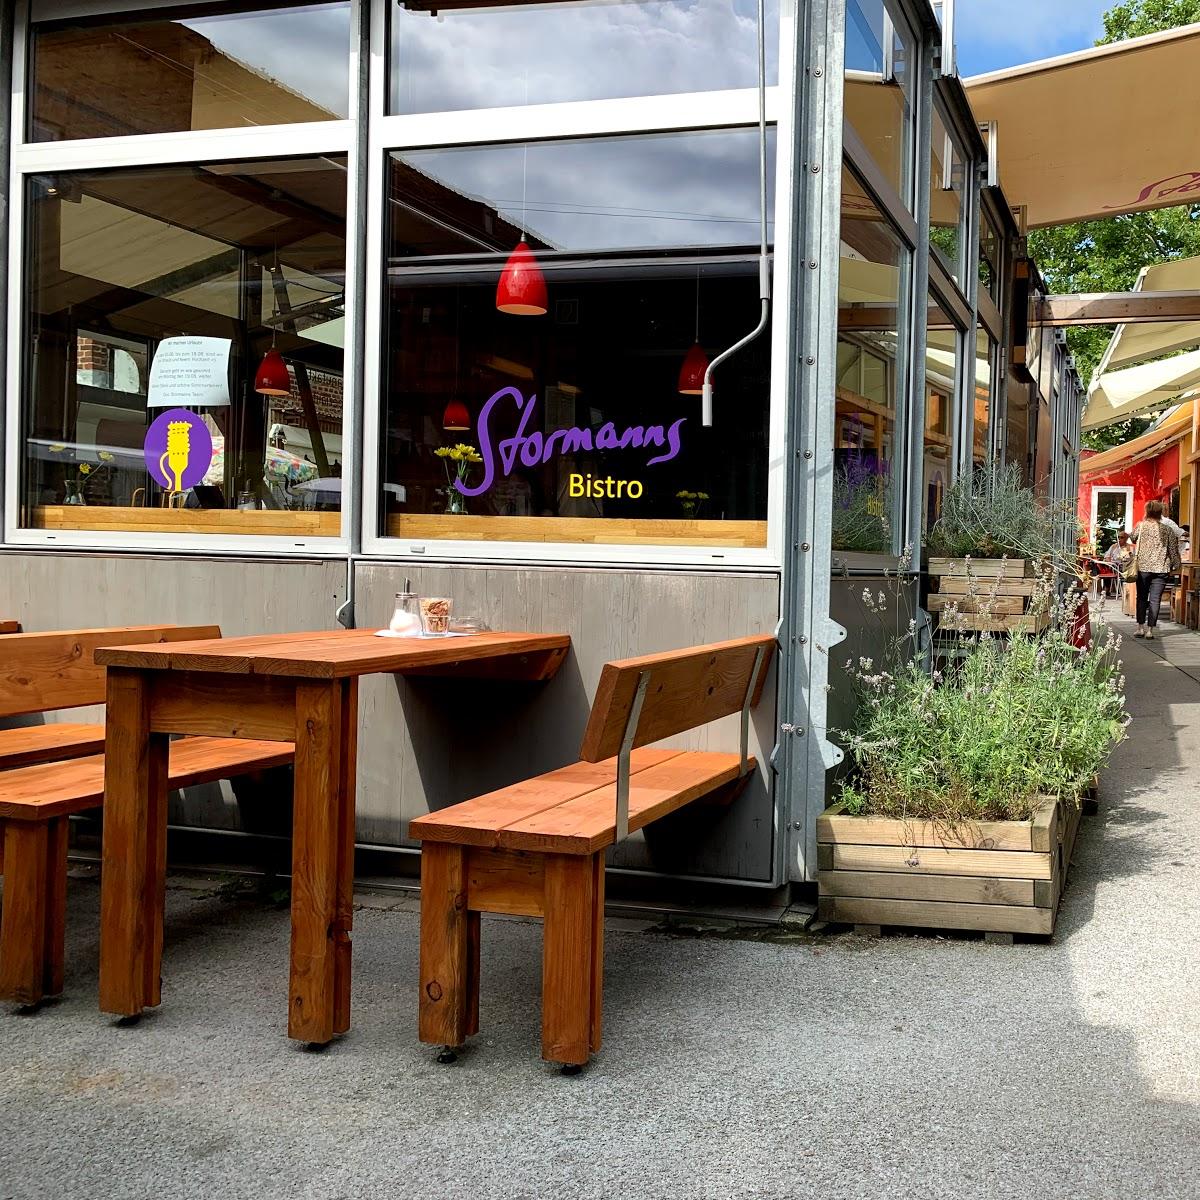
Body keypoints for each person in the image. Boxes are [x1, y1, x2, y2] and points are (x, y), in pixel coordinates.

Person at [1132, 500, 1182, 639]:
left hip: (1143, 568)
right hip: (1161, 569)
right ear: (1160, 513)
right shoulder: (1167, 529)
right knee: (1155, 600)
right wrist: (1176, 565)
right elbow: (1173, 550)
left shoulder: (1140, 526)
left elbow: (1132, 538)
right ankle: (1150, 631)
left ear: (1147, 511)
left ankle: (1140, 628)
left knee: (1141, 598)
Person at [1104, 530, 1134, 600]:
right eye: (1118, 537)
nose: (1119, 539)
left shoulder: (1130, 547)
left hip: (1123, 568)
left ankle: (1109, 589)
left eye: (1121, 537)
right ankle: (1106, 589)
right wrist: (1110, 561)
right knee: (1104, 568)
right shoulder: (1114, 546)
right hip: (1113, 566)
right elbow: (1107, 556)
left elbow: (1132, 559)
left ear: (1126, 538)